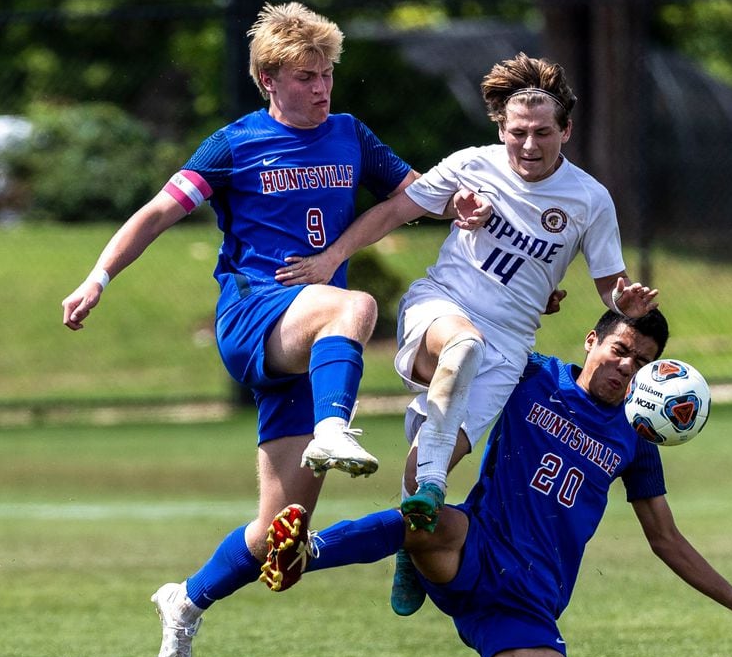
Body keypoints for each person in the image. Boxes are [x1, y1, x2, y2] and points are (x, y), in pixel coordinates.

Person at [60, 2, 420, 657]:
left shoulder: (351, 135)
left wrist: (345, 249)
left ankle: (187, 599)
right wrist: (98, 276)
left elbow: (412, 197)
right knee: (359, 305)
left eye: (327, 75)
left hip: (313, 342)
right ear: (267, 79)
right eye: (306, 76)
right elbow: (160, 212)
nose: (322, 89)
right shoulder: (234, 144)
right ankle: (335, 428)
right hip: (255, 318)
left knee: (279, 536)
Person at [260, 309, 732, 657]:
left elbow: (665, 538)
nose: (625, 365)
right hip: (473, 548)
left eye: (641, 361)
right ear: (592, 341)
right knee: (426, 522)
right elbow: (460, 354)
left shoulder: (636, 440)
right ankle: (306, 553)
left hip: (527, 603)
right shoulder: (531, 374)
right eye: (619, 348)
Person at [274, 53, 658, 614]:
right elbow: (393, 211)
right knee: (462, 347)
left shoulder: (589, 199)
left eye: (543, 133)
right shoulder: (471, 166)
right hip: (442, 308)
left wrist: (621, 301)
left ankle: (411, 543)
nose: (529, 146)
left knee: (425, 458)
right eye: (518, 133)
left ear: (565, 131)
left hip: (508, 345)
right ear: (500, 129)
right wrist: (330, 259)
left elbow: (609, 284)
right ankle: (428, 489)